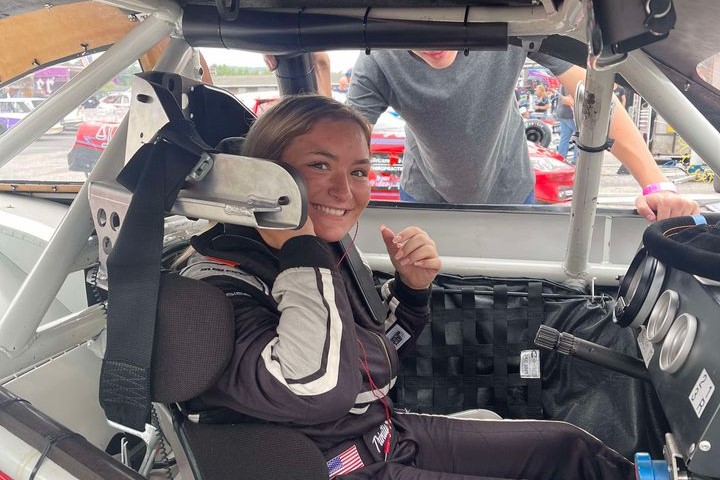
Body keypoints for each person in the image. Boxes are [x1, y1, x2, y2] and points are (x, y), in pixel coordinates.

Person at [180, 95, 634, 479]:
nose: (345, 191)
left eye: (359, 172)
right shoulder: (222, 283)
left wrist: (411, 292)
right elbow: (319, 388)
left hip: (385, 437)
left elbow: (370, 357)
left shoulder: (317, 250)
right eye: (320, 165)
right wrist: (303, 256)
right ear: (267, 177)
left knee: (571, 449)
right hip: (340, 466)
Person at [325, 49, 698, 220]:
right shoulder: (377, 60)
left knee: (512, 295)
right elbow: (337, 144)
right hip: (425, 196)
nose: (432, 30)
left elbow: (596, 99)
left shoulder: (511, 27)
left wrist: (655, 185)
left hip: (510, 187)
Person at [556, 85, 576, 164]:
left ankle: (561, 158)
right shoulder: (568, 84)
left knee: (564, 138)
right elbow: (569, 100)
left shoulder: (562, 84)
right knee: (579, 137)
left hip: (562, 113)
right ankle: (576, 160)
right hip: (569, 114)